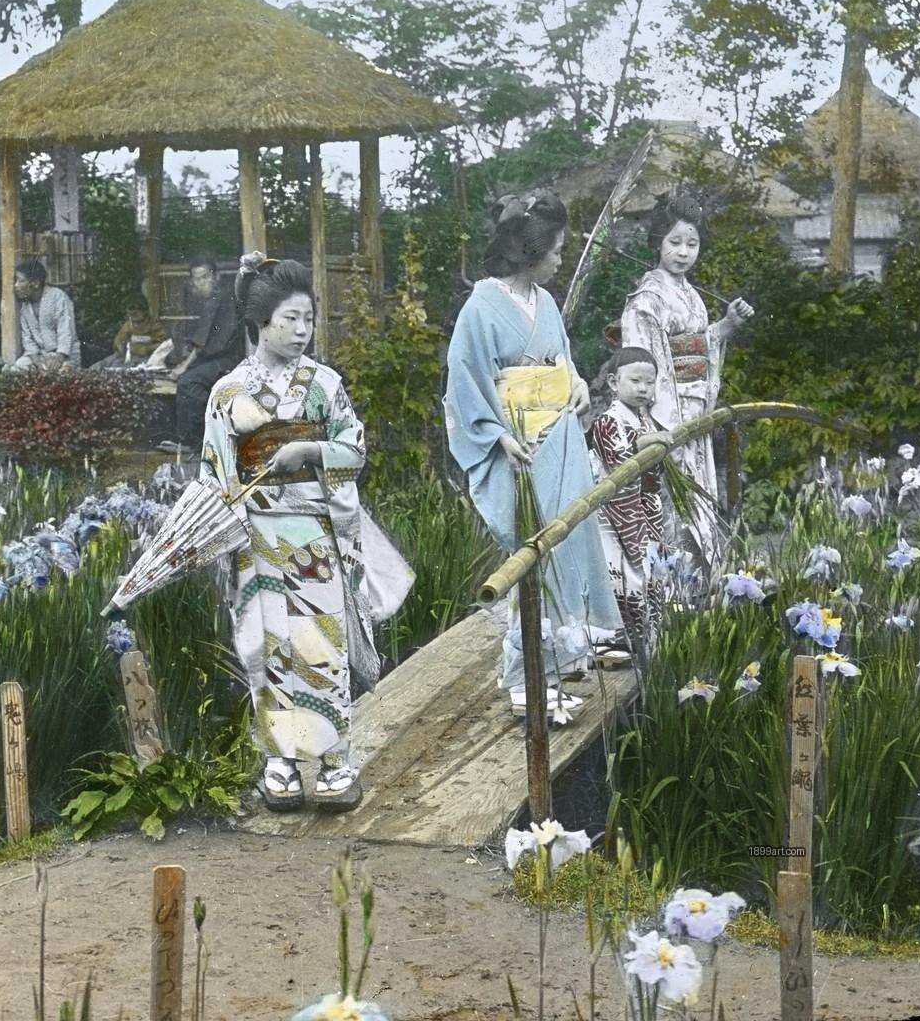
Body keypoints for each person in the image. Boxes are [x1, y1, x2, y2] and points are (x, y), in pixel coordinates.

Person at [200, 255, 411, 813]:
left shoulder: (323, 385)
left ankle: (336, 760)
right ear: (259, 322)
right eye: (289, 319)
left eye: (308, 320)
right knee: (263, 648)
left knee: (320, 645)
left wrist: (313, 450)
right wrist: (230, 515)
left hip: (315, 534)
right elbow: (213, 472)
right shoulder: (227, 393)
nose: (300, 331)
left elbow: (354, 449)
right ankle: (280, 762)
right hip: (254, 538)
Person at [444, 189, 624, 715]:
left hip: (560, 440)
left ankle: (557, 667)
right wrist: (495, 436)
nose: (562, 259)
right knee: (534, 554)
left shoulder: (544, 303)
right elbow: (465, 382)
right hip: (517, 445)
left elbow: (560, 364)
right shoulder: (480, 308)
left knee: (566, 544)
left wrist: (580, 384)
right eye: (558, 251)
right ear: (531, 252)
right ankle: (525, 679)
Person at [620, 194, 754, 569]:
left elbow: (700, 344)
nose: (683, 252)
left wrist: (725, 326)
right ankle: (672, 589)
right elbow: (644, 365)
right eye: (674, 242)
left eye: (691, 244)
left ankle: (697, 585)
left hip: (694, 410)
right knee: (672, 501)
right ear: (658, 242)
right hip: (663, 414)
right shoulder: (647, 299)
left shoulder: (691, 296)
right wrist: (660, 418)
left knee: (698, 497)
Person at [589, 346, 665, 656]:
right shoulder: (608, 421)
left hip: (645, 506)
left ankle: (650, 639)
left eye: (649, 382)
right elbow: (619, 464)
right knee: (623, 574)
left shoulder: (644, 418)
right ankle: (620, 639)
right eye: (635, 381)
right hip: (618, 512)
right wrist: (647, 442)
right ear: (612, 382)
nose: (643, 388)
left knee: (650, 571)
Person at [163, 255, 242, 453]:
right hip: (215, 358)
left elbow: (202, 341)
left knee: (187, 382)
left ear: (216, 277)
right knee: (181, 373)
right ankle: (200, 436)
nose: (202, 283)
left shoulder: (220, 298)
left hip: (227, 360)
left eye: (206, 277)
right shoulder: (212, 300)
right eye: (197, 279)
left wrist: (183, 366)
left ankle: (191, 442)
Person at [10, 259, 81, 372]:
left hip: (65, 356)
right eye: (16, 281)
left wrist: (59, 357)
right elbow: (28, 341)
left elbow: (66, 331)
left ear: (36, 283)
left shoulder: (58, 297)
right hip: (41, 357)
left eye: (21, 281)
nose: (16, 285)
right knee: (16, 368)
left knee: (62, 374)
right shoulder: (25, 307)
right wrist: (38, 363)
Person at [92, 292, 168, 369]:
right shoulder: (128, 325)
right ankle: (93, 370)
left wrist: (147, 348)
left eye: (137, 309)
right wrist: (119, 344)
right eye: (131, 309)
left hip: (146, 356)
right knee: (108, 361)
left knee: (142, 366)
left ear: (145, 310)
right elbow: (119, 339)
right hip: (128, 355)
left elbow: (164, 345)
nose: (134, 312)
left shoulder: (153, 325)